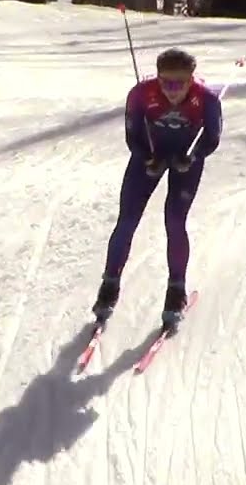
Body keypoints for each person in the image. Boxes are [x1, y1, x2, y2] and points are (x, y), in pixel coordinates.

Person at [92, 47, 223, 330]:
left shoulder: (207, 100)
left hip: (185, 161)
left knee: (175, 221)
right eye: (166, 83)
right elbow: (132, 135)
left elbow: (212, 138)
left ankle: (176, 290)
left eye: (179, 84)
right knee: (127, 221)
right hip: (149, 157)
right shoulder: (141, 94)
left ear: (191, 79)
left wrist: (193, 155)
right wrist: (146, 157)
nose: (172, 90)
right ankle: (109, 284)